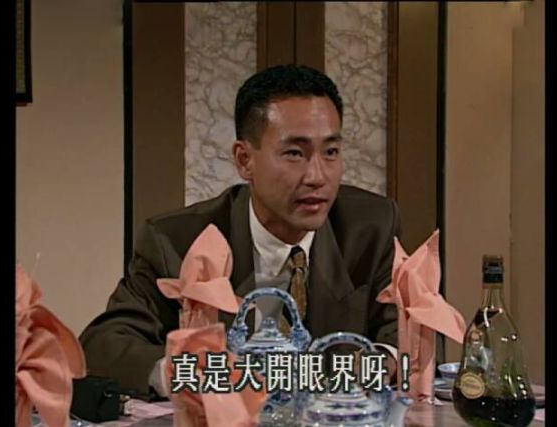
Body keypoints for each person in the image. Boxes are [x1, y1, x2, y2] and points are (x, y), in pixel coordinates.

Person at [80, 64, 401, 400]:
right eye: (294, 153)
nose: (317, 176)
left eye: (331, 152)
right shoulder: (176, 241)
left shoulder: (370, 226)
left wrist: (378, 364)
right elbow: (104, 346)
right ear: (245, 159)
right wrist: (184, 371)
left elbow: (406, 331)